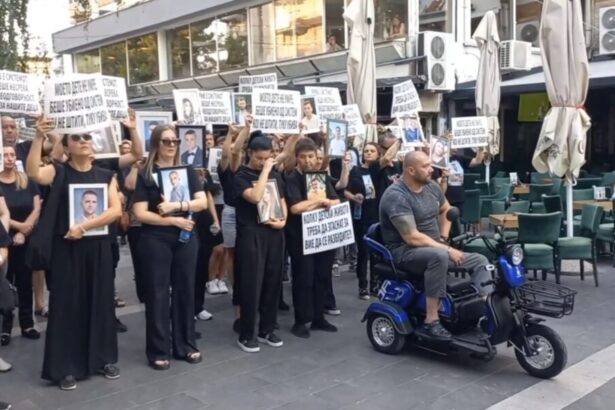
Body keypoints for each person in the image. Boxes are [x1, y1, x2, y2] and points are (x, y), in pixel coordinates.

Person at [27, 116, 122, 390]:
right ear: (66, 146)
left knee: (100, 301)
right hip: (66, 249)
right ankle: (64, 367)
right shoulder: (58, 171)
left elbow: (115, 210)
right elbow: (33, 173)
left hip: (98, 247)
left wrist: (85, 226)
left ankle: (102, 358)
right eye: (77, 138)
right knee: (66, 306)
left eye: (87, 137)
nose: (83, 141)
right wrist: (38, 137)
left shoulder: (105, 175)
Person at [379, 151, 493, 340]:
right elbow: (412, 237)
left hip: (434, 245)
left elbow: (446, 210)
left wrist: (443, 237)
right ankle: (431, 321)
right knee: (438, 257)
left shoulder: (431, 186)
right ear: (411, 170)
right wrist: (446, 249)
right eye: (426, 166)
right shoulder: (396, 196)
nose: (432, 169)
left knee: (480, 261)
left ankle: (485, 312)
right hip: (405, 252)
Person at [132, 125, 207, 370]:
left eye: (175, 141)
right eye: (166, 141)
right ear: (156, 144)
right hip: (156, 238)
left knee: (185, 289)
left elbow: (202, 202)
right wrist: (172, 220)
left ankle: (186, 344)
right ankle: (158, 349)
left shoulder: (187, 170)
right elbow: (140, 213)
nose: (172, 145)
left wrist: (176, 207)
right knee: (158, 293)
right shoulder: (146, 174)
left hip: (185, 235)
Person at [233, 136, 287, 352]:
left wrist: (282, 221)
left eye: (267, 158)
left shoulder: (276, 175)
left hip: (273, 232)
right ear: (250, 154)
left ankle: (267, 328)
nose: (263, 162)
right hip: (251, 233)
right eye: (259, 158)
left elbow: (282, 200)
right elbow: (255, 197)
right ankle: (247, 333)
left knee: (273, 282)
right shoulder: (241, 176)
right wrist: (265, 171)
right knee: (251, 284)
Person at [285, 138, 340, 338]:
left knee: (322, 277)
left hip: (322, 236)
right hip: (300, 238)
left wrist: (326, 202)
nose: (308, 161)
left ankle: (318, 317)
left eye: (311, 156)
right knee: (304, 279)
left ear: (317, 157)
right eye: (303, 157)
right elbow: (295, 208)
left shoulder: (320, 177)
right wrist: (319, 202)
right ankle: (301, 321)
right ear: (297, 158)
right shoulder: (292, 178)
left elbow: (336, 200)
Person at [0, 145, 41, 345]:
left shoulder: (27, 180)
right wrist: (18, 229)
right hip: (3, 240)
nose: (9, 158)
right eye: (5, 155)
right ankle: (5, 328)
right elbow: (2, 213)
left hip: (26, 239)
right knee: (5, 284)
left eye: (12, 155)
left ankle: (27, 324)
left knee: (25, 282)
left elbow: (37, 208)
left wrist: (25, 231)